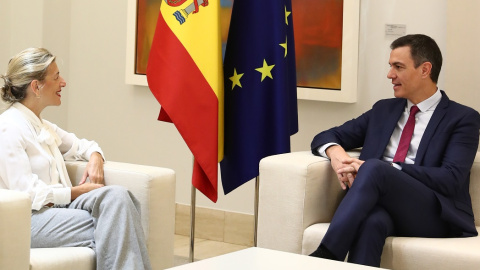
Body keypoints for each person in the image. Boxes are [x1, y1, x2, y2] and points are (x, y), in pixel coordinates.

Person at [309, 34, 480, 267]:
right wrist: (338, 157)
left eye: (398, 67)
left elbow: (451, 178)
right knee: (372, 222)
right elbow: (326, 136)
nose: (390, 75)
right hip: (382, 205)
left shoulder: (462, 118)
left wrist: (390, 169)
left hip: (433, 213)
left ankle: (326, 257)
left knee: (376, 168)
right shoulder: (384, 110)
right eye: (390, 67)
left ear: (425, 69)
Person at [0, 48, 151, 270]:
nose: (63, 82)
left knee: (118, 197)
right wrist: (76, 192)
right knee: (122, 224)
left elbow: (84, 146)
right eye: (56, 77)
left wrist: (96, 157)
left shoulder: (43, 126)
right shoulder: (8, 128)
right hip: (27, 221)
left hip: (61, 209)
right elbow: (25, 195)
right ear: (36, 86)